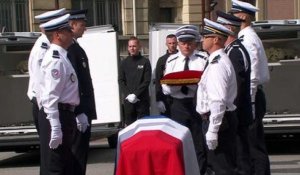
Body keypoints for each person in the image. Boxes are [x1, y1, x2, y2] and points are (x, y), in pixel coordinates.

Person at [230, 1, 271, 174]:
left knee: (253, 144)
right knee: (250, 142)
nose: (232, 18)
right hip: (251, 96)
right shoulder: (246, 37)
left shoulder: (247, 39)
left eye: (235, 14)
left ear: (243, 16)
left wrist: (251, 103)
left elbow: (252, 74)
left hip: (251, 96)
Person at [162, 25, 207, 175]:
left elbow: (207, 84)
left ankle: (200, 171)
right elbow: (165, 88)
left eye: (189, 42)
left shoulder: (203, 59)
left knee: (199, 143)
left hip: (196, 104)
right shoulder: (171, 61)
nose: (186, 46)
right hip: (178, 105)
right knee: (179, 142)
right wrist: (179, 84)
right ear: (178, 43)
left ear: (195, 43)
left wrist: (192, 84)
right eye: (183, 43)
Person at [38, 13, 79, 175]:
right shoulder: (55, 59)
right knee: (56, 166)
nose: (71, 33)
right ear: (57, 35)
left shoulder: (62, 56)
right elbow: (50, 95)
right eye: (67, 30)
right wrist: (55, 125)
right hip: (56, 115)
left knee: (64, 163)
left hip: (64, 114)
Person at [196, 18, 237, 175]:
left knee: (222, 167)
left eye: (205, 37)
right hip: (219, 120)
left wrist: (213, 130)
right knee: (219, 166)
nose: (202, 40)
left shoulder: (217, 64)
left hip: (219, 122)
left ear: (215, 39)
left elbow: (218, 100)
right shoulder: (215, 60)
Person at [216, 10, 253, 175]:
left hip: (237, 114)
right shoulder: (233, 49)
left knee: (240, 157)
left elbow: (236, 88)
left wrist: (230, 114)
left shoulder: (235, 52)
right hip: (239, 114)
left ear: (228, 29)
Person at [67, 9, 97, 175]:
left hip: (83, 108)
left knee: (81, 152)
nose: (85, 28)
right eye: (82, 25)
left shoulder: (76, 48)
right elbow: (73, 83)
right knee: (77, 153)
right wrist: (78, 111)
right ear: (72, 25)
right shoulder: (70, 50)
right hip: (78, 111)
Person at [27, 8, 66, 134]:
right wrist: (46, 110)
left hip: (48, 105)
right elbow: (40, 81)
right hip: (45, 105)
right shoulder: (43, 48)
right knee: (51, 151)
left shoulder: (49, 45)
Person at [118, 36, 152, 125]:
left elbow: (147, 81)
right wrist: (129, 95)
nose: (132, 48)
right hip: (128, 102)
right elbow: (121, 80)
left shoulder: (145, 61)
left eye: (134, 46)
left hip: (142, 101)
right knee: (130, 129)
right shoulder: (124, 63)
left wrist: (136, 94)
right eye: (130, 46)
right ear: (128, 48)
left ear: (139, 47)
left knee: (144, 127)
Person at [155, 34, 178, 117]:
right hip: (166, 98)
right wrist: (159, 100)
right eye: (170, 43)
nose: (172, 45)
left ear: (177, 43)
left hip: (179, 97)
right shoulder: (162, 60)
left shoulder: (182, 58)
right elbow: (158, 80)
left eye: (174, 43)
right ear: (166, 44)